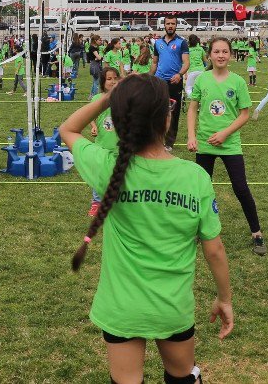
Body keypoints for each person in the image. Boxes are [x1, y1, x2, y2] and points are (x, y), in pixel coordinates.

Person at [59, 73, 233, 384]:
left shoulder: (107, 167)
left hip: (121, 308)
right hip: (172, 308)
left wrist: (110, 97)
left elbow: (68, 129)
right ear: (166, 121)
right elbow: (215, 249)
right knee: (183, 377)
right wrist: (224, 298)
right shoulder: (194, 177)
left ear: (119, 120)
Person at [187, 38, 267, 255]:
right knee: (201, 190)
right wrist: (192, 136)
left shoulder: (238, 82)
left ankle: (257, 233)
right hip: (205, 143)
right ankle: (197, 230)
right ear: (209, 55)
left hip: (230, 144)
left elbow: (244, 115)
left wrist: (224, 134)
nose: (220, 55)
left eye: (224, 52)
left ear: (230, 55)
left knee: (241, 188)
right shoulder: (202, 80)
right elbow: (192, 109)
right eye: (216, 51)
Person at [149, 16, 190, 150]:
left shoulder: (181, 42)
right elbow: (154, 63)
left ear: (176, 25)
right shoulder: (158, 43)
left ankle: (169, 143)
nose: (170, 26)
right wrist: (149, 78)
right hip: (159, 82)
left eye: (173, 23)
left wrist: (179, 75)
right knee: (157, 110)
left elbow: (186, 62)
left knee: (173, 112)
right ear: (164, 25)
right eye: (168, 23)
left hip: (174, 82)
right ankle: (156, 139)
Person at [86, 66, 121, 217]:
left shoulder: (124, 98)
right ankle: (96, 202)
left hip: (120, 146)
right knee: (100, 175)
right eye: (109, 79)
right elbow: (90, 117)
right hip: (102, 146)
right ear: (102, 82)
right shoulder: (97, 99)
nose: (113, 82)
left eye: (115, 78)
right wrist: (93, 126)